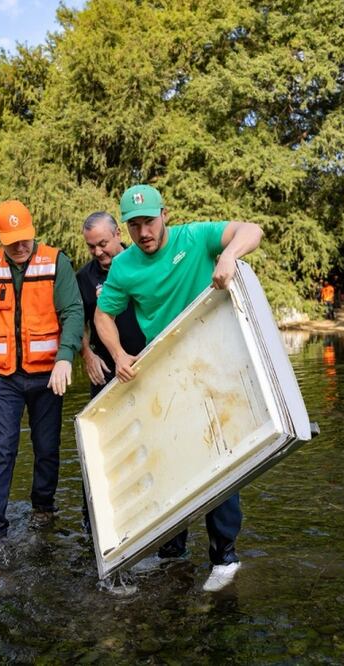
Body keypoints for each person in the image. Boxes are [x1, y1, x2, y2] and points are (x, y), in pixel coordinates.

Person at [93, 184, 262, 591]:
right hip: (165, 369)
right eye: (134, 226)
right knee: (171, 457)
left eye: (149, 221)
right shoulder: (124, 267)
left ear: (164, 214)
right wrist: (117, 354)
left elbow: (252, 229)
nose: (143, 232)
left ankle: (225, 557)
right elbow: (102, 316)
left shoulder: (195, 236)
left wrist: (227, 255)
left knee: (220, 453)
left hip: (214, 357)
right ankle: (174, 552)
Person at [0, 200, 84, 542]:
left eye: (25, 238)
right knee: (2, 447)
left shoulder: (57, 262)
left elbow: (72, 312)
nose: (21, 246)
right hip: (2, 376)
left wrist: (66, 357)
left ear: (33, 230)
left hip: (48, 375)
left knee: (47, 446)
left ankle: (43, 509)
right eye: (12, 241)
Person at [75, 211, 147, 532]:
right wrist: (87, 353)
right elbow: (79, 322)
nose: (98, 252)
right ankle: (96, 525)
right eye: (92, 247)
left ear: (118, 234)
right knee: (104, 446)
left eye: (103, 243)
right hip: (106, 372)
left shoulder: (142, 262)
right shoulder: (85, 278)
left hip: (147, 363)